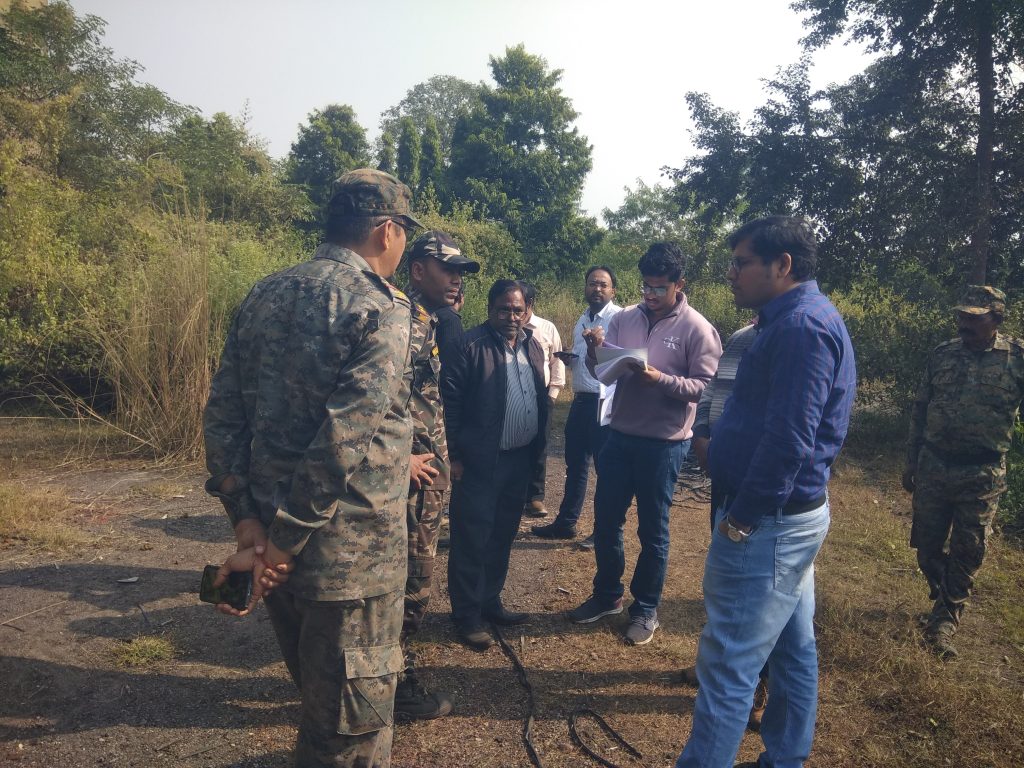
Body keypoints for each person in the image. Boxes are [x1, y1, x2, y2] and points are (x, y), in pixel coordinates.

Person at [203, 168, 419, 768]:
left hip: (274, 552)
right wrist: (282, 544)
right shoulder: (379, 307)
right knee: (348, 733)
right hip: (349, 564)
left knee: (318, 698)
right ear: (386, 231)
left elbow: (222, 416)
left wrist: (249, 526)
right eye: (404, 232)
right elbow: (343, 441)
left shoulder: (264, 293)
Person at [675, 216, 856, 768]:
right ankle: (785, 758)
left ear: (783, 265)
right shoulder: (790, 320)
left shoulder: (801, 328)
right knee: (793, 648)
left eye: (742, 262)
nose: (731, 273)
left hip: (768, 523)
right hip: (785, 518)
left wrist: (742, 519)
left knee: (729, 664)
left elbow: (788, 442)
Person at [568, 243, 722, 646]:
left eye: (659, 288)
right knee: (606, 522)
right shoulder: (625, 319)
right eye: (645, 286)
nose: (650, 295)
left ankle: (646, 608)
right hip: (619, 435)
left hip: (664, 446)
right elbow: (603, 374)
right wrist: (596, 352)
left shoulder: (697, 328)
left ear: (679, 284)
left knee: (653, 531)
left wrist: (660, 380)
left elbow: (706, 388)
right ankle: (607, 595)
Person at [904, 285, 1024, 660]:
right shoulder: (942, 354)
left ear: (996, 319)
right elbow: (921, 408)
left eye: (974, 318)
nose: (964, 324)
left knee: (967, 551)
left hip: (983, 473)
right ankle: (944, 595)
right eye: (961, 316)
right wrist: (911, 460)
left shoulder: (1017, 357)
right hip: (935, 465)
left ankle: (943, 624)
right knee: (926, 549)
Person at [394, 230, 479, 721]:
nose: (455, 280)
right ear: (418, 269)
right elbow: (373, 401)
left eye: (460, 273)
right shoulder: (400, 321)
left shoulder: (430, 320)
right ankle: (395, 684)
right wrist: (399, 457)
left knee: (415, 573)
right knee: (410, 578)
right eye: (448, 270)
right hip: (408, 478)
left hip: (428, 476)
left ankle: (391, 672)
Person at [441, 279, 549, 651]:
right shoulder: (469, 345)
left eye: (518, 310)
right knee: (472, 538)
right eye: (504, 309)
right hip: (479, 462)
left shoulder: (532, 345)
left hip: (518, 459)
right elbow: (449, 405)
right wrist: (453, 456)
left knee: (503, 534)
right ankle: (467, 615)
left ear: (527, 311)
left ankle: (491, 600)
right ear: (490, 309)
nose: (511, 316)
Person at [679, 320, 768, 732]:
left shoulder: (795, 336)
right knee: (725, 580)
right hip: (726, 476)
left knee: (759, 593)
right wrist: (700, 435)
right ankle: (714, 665)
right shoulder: (741, 338)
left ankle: (756, 689)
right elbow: (713, 389)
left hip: (763, 486)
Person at [532, 266, 622, 544]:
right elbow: (585, 361)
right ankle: (566, 523)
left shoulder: (620, 319)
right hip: (581, 399)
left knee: (606, 469)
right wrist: (571, 359)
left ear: (613, 290)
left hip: (605, 400)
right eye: (592, 283)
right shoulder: (582, 319)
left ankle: (603, 530)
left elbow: (621, 362)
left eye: (603, 284)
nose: (597, 289)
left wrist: (599, 347)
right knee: (575, 465)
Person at [520, 282, 566, 519]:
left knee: (540, 445)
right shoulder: (505, 326)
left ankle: (535, 497)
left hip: (541, 396)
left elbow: (557, 362)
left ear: (530, 304)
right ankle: (513, 494)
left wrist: (552, 395)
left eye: (520, 306)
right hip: (511, 395)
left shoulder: (546, 328)